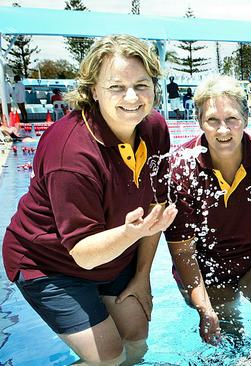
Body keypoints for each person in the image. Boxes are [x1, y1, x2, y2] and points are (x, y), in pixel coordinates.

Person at [2, 34, 179, 365]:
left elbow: (155, 211)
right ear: (93, 90)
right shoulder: (70, 154)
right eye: (116, 87)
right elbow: (83, 254)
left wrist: (142, 279)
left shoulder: (153, 128)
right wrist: (130, 233)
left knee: (136, 340)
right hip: (50, 263)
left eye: (142, 85)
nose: (132, 97)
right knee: (109, 357)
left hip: (113, 256)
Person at [164, 75, 251, 344]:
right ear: (199, 121)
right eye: (213, 120)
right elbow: (183, 249)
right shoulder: (182, 166)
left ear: (246, 119)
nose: (223, 130)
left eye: (232, 119)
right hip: (206, 267)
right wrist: (204, 307)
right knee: (226, 333)